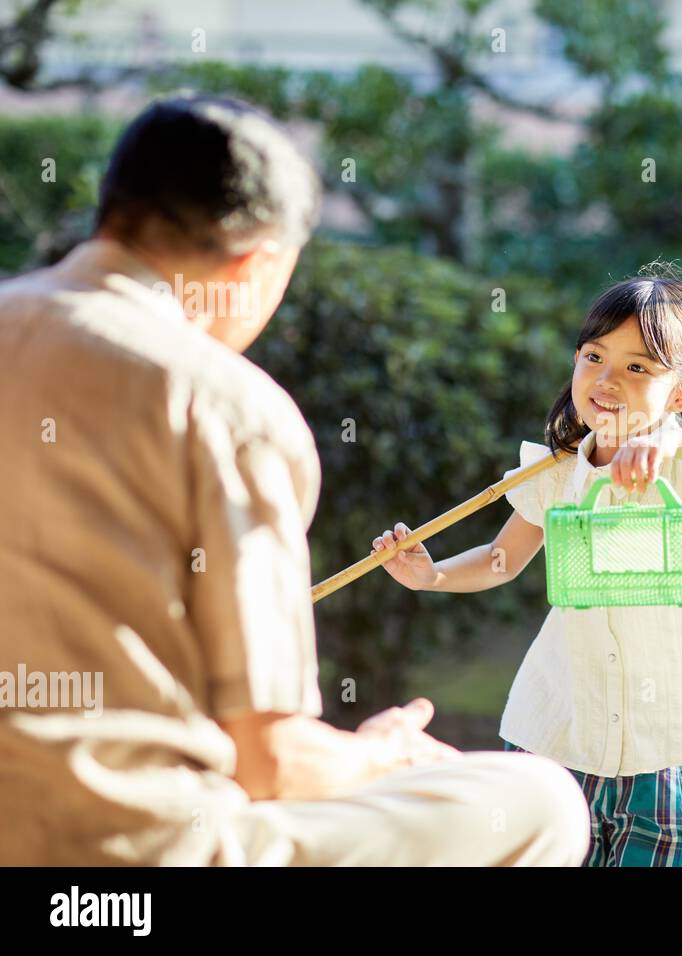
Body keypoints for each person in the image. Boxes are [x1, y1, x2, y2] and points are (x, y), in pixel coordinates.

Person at [0, 95, 589, 866]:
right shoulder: (223, 405)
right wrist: (380, 756)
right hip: (124, 869)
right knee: (539, 802)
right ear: (258, 260)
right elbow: (268, 764)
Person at [372, 265, 682, 865]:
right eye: (594, 357)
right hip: (561, 737)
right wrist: (433, 575)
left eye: (638, 367)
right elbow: (502, 560)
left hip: (676, 748)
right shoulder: (557, 474)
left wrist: (679, 442)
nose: (607, 380)